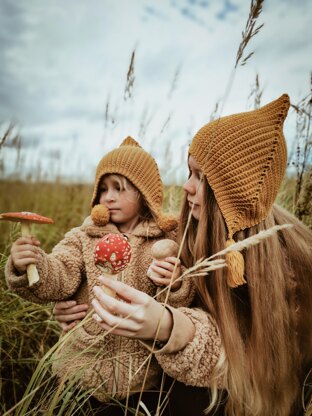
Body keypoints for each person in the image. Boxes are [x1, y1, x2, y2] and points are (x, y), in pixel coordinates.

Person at [87, 95, 312, 415]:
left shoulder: (291, 267)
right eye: (189, 172)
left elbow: (248, 358)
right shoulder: (188, 235)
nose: (187, 187)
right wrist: (83, 302)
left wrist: (167, 327)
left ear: (231, 194)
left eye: (200, 177)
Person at [5, 136, 195, 414]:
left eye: (119, 188)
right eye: (103, 188)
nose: (108, 196)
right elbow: (61, 274)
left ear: (144, 194)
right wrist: (32, 266)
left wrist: (176, 283)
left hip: (140, 377)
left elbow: (179, 305)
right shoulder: (84, 236)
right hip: (79, 369)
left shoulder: (165, 242)